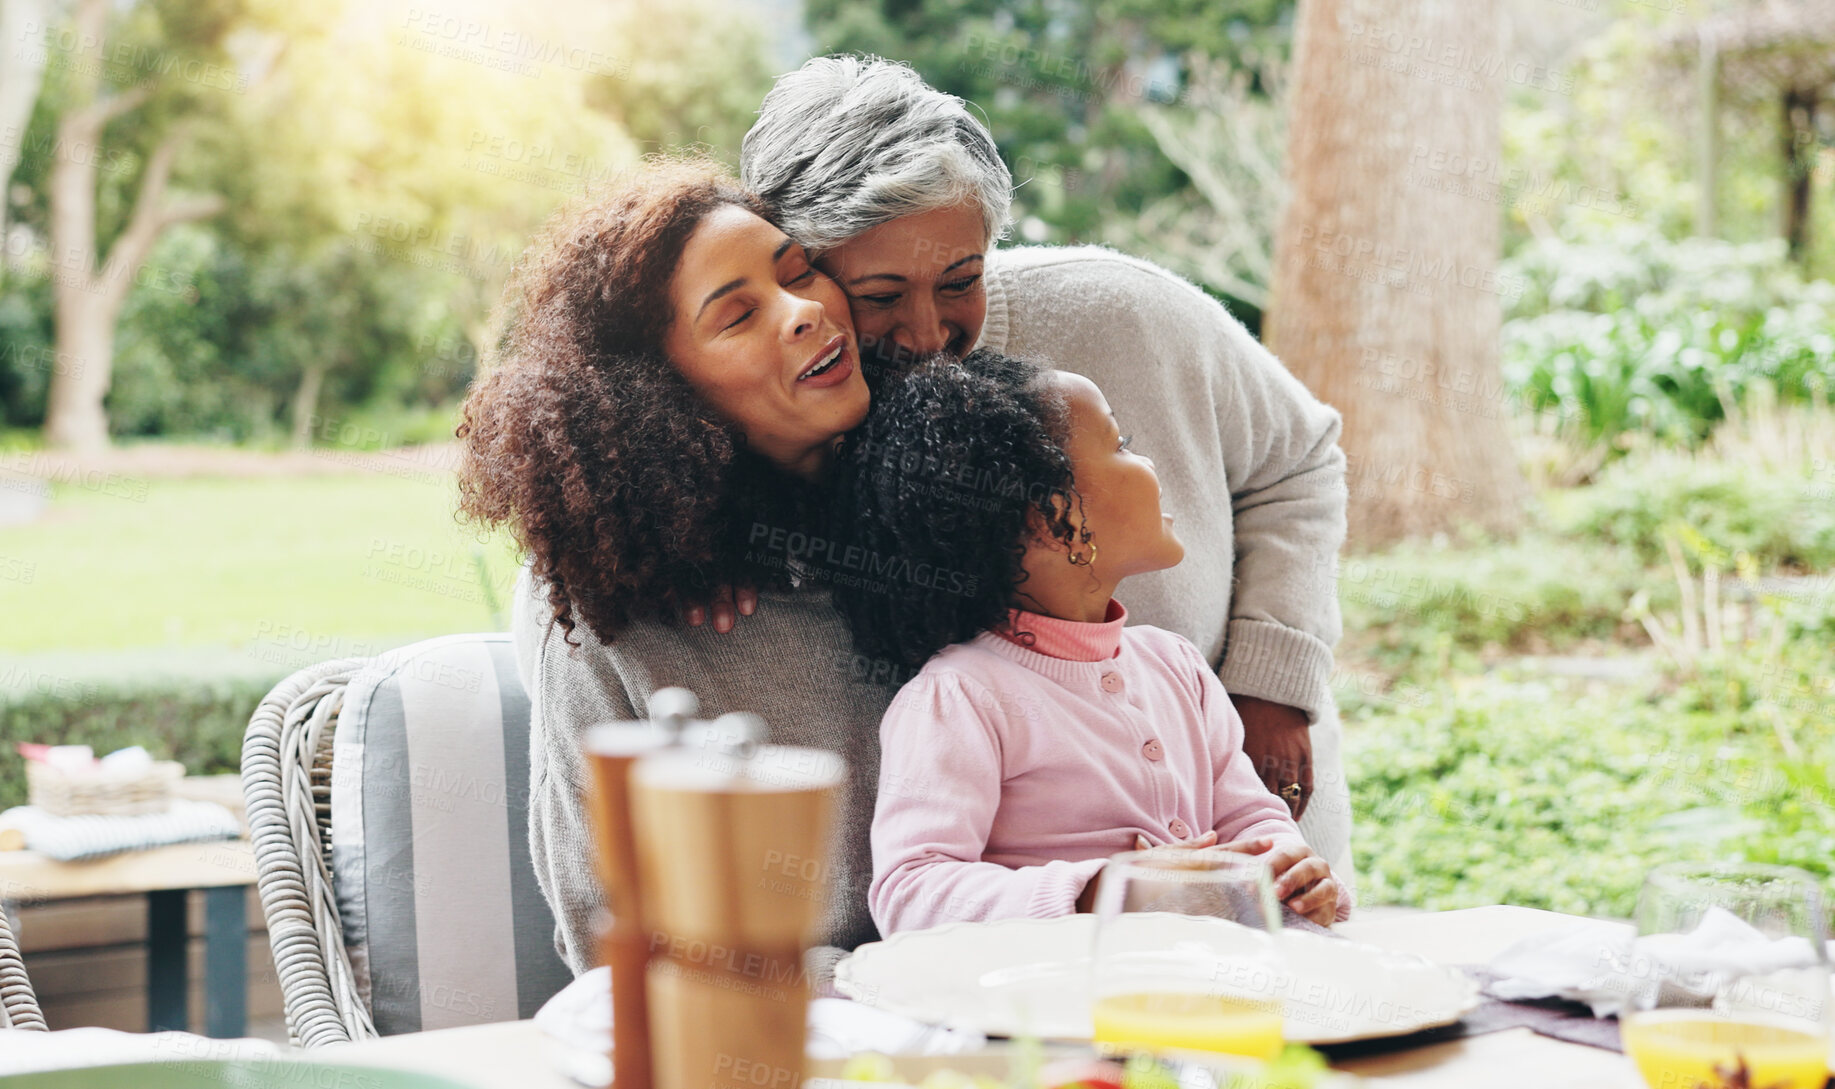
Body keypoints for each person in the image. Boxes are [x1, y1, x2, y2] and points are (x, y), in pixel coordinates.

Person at [738, 56, 1355, 889]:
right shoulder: (784, 411)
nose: (925, 334)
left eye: (961, 280)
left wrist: (1270, 684)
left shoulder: (1124, 313)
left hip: (1253, 843)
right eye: (878, 295)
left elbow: (1300, 455)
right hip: (1035, 949)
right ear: (798, 273)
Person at [463, 158, 896, 972]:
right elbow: (613, 938)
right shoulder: (614, 620)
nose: (804, 311)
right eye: (737, 317)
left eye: (799, 271)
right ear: (660, 399)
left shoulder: (955, 536)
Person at [827, 353, 1343, 935]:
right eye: (1120, 443)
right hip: (1054, 1005)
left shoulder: (1177, 667)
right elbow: (911, 894)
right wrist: (1109, 890)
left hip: (1204, 987)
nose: (1147, 460)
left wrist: (1292, 873)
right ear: (1051, 519)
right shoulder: (959, 695)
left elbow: (1250, 818)